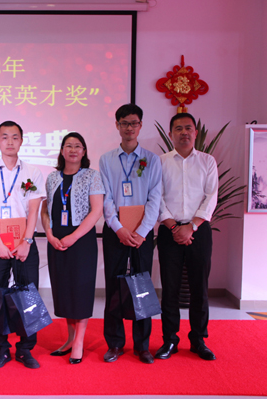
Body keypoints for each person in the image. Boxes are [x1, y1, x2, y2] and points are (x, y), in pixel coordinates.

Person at [0, 121, 46, 369]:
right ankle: (1, 349)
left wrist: (27, 241)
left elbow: (34, 209)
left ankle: (25, 349)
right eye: (4, 137)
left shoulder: (32, 171)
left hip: (24, 242)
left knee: (29, 296)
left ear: (21, 141)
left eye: (15, 137)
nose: (9, 142)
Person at [99, 103, 162, 364]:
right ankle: (115, 343)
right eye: (124, 123)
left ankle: (142, 345)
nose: (129, 128)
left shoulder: (152, 160)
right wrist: (119, 228)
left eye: (134, 123)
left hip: (142, 234)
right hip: (116, 231)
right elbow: (105, 198)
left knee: (142, 287)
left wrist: (142, 231)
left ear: (140, 125)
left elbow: (155, 198)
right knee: (114, 286)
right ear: (117, 125)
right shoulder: (106, 160)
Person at [156, 113, 218, 361]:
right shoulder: (160, 162)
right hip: (169, 231)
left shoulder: (207, 161)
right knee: (169, 288)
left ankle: (198, 340)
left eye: (188, 128)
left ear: (196, 133)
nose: (184, 132)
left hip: (198, 231)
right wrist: (174, 228)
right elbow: (156, 197)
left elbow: (211, 196)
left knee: (199, 288)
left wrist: (191, 226)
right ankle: (170, 340)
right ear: (170, 134)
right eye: (178, 128)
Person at [41, 132, 104, 365]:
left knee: (81, 289)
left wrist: (74, 237)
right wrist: (49, 234)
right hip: (56, 241)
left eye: (78, 146)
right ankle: (69, 338)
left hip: (81, 242)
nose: (73, 150)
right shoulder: (52, 177)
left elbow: (96, 211)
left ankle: (79, 341)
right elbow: (45, 210)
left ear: (84, 151)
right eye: (69, 145)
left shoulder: (92, 176)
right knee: (64, 289)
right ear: (62, 151)